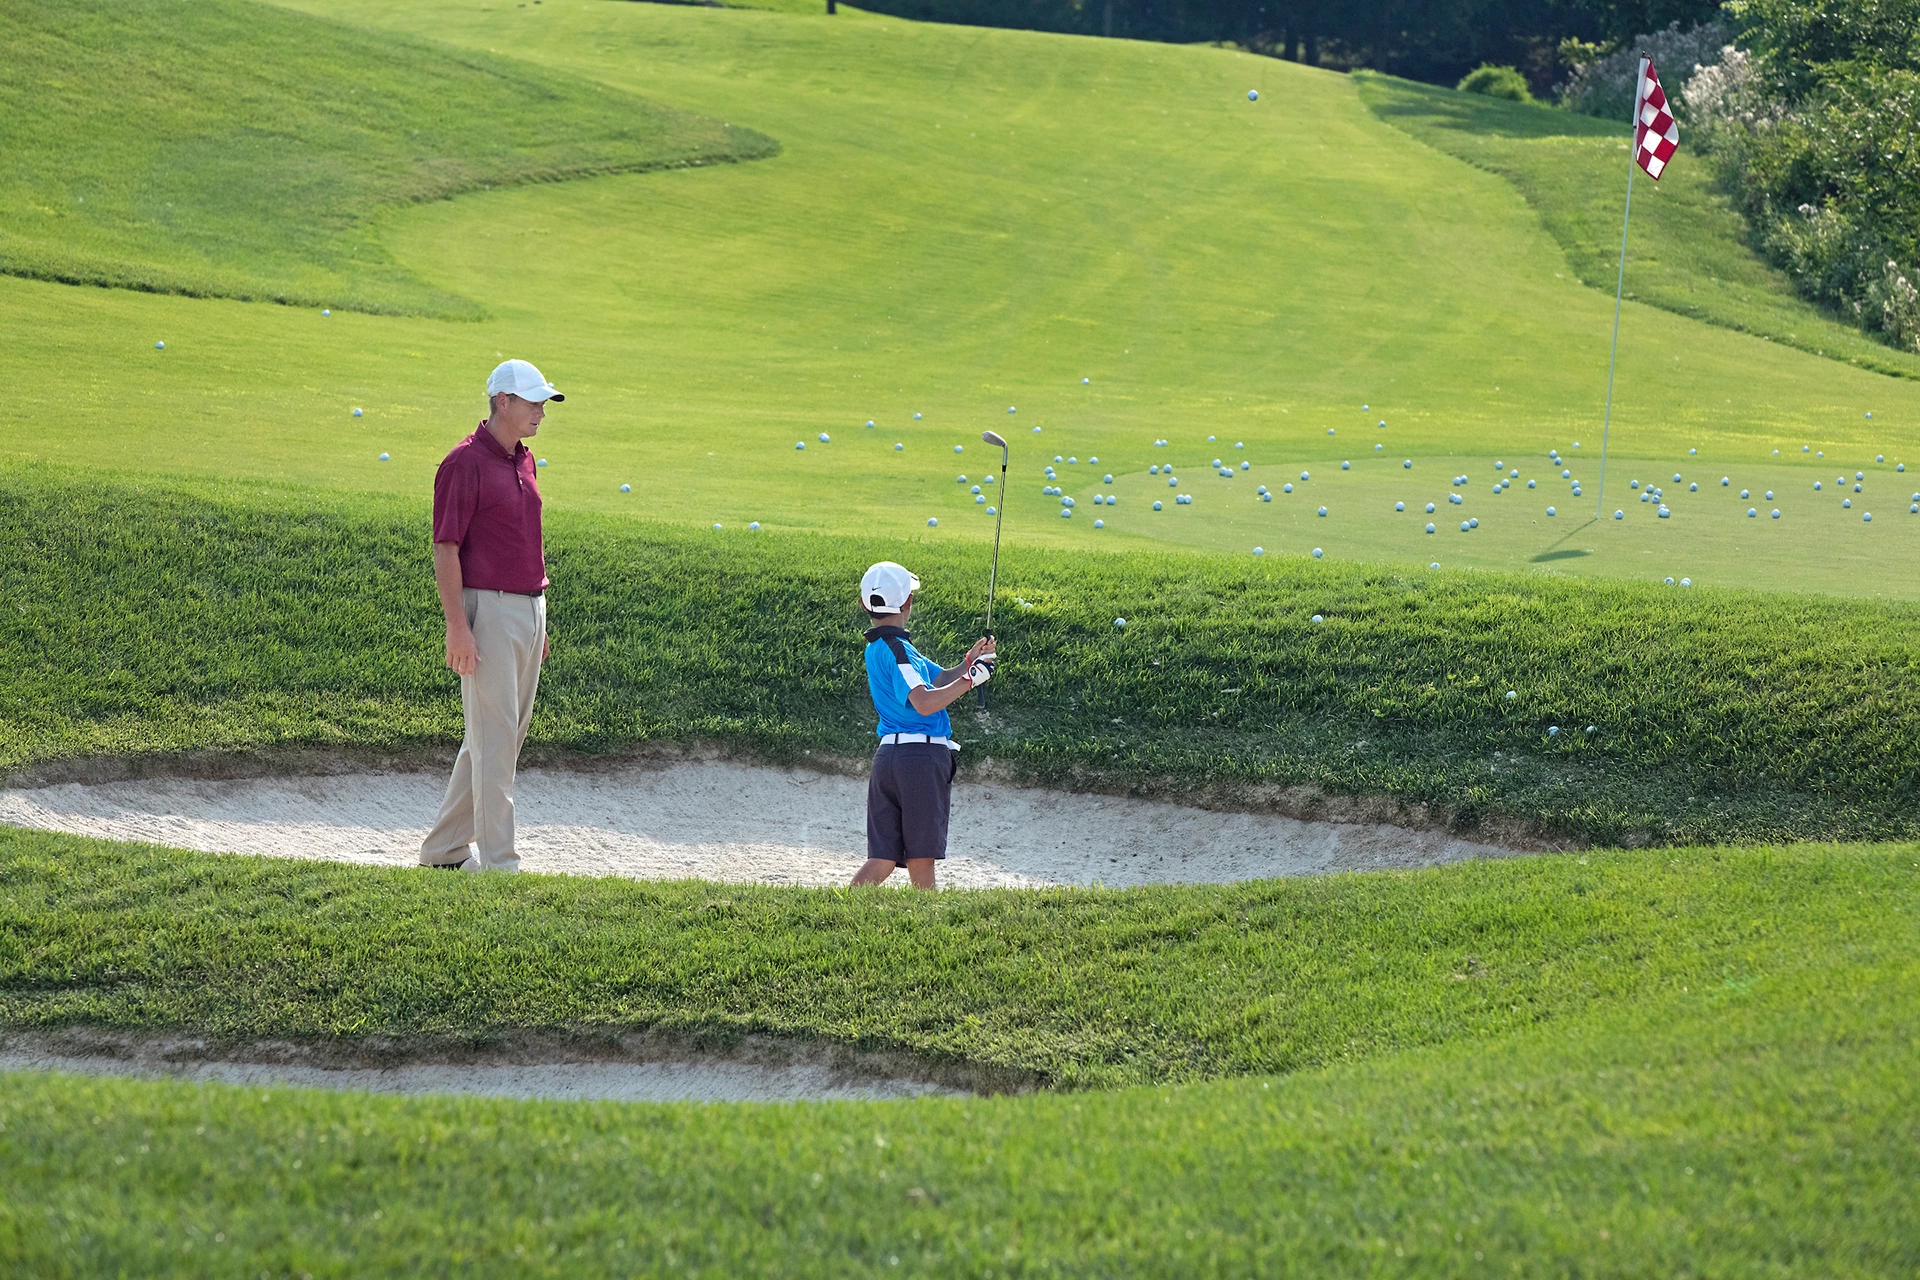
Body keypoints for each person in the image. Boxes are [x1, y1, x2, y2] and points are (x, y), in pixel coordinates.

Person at [418, 359, 564, 873]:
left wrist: (535, 618)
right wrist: (458, 626)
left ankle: (442, 852)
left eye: (544, 403)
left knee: (497, 737)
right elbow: (445, 549)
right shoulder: (463, 463)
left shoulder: (524, 460)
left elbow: (525, 537)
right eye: (533, 402)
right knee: (496, 742)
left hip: (527, 610)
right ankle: (501, 864)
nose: (541, 412)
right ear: (503, 401)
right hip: (489, 611)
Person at [850, 561, 995, 890]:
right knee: (920, 858)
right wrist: (970, 681)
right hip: (918, 760)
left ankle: (839, 910)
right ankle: (927, 922)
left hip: (889, 759)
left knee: (882, 858)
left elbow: (939, 679)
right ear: (908, 604)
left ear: (864, 605)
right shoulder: (897, 650)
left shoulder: (886, 647)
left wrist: (969, 662)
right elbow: (926, 702)